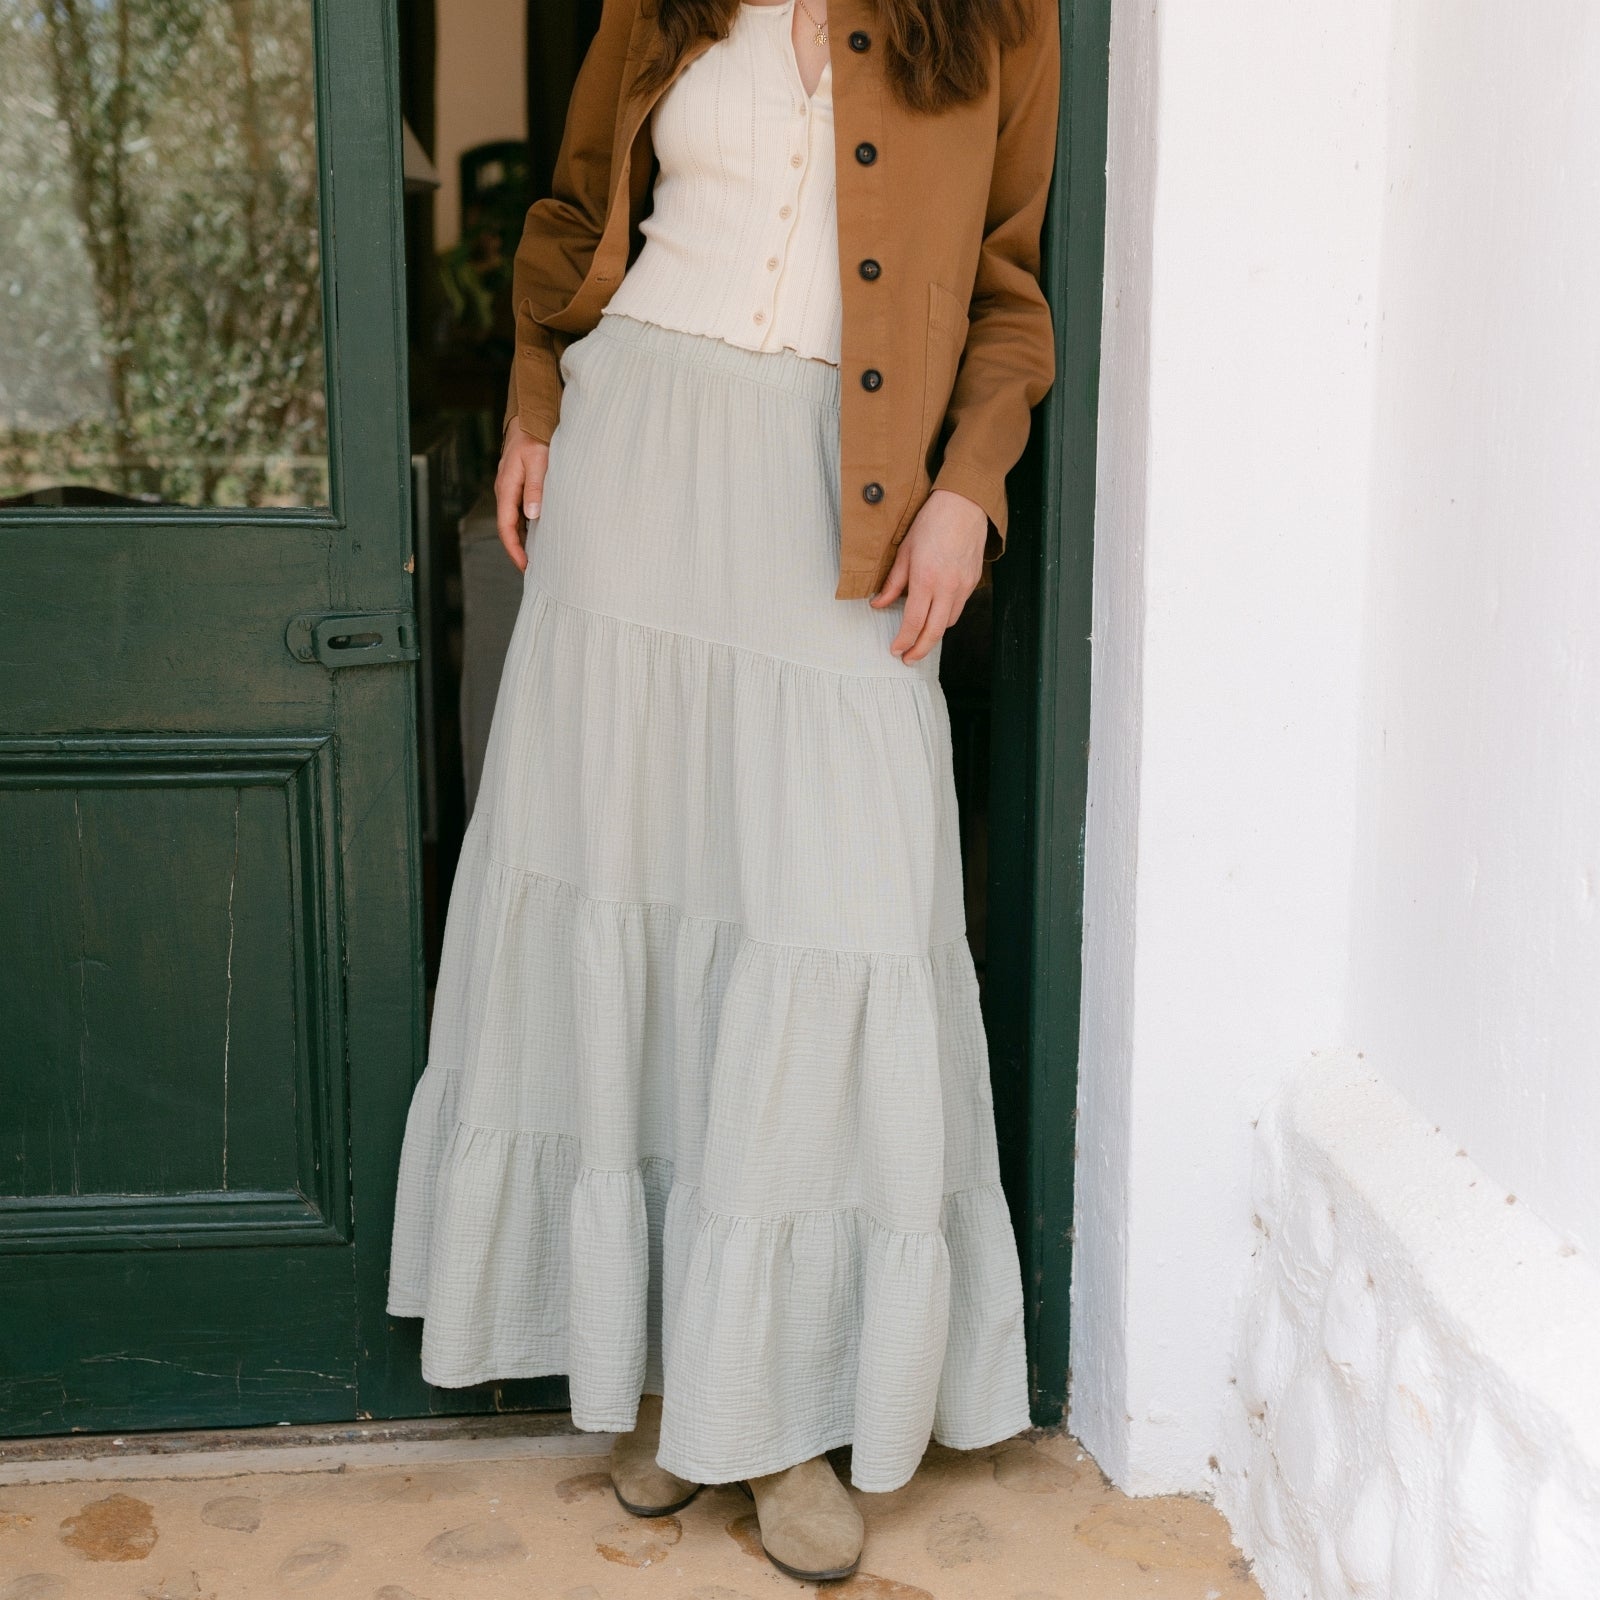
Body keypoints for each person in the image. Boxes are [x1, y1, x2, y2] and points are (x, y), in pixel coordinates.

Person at [388, 0, 1059, 1581]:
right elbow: (576, 213)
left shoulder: (997, 23)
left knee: (834, 917)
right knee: (639, 889)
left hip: (850, 491)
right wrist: (536, 403)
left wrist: (969, 490)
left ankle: (783, 1414)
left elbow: (1008, 298)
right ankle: (666, 1372)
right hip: (637, 462)